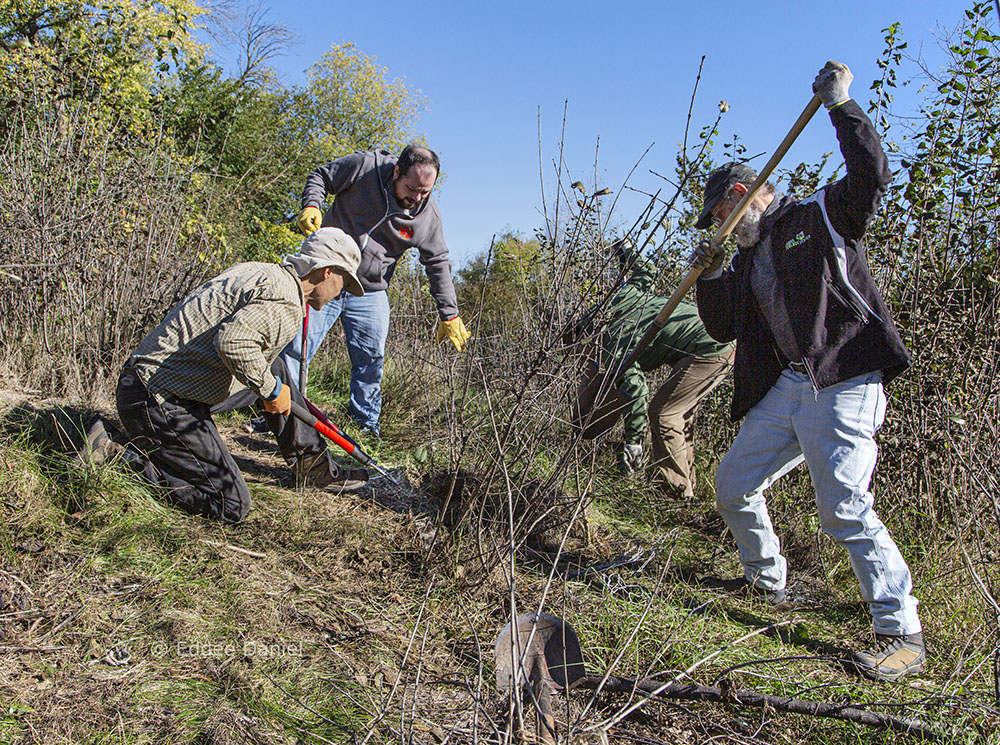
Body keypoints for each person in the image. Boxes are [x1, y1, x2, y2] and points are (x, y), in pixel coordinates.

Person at [690, 61, 923, 681]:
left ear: (739, 199)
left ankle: (901, 632)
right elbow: (722, 329)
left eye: (717, 216)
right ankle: (765, 582)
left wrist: (842, 106)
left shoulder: (817, 216)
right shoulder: (746, 255)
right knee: (735, 482)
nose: (717, 228)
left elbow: (872, 176)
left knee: (845, 507)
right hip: (788, 388)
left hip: (843, 379)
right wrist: (710, 271)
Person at [77, 228, 369, 523]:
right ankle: (114, 452)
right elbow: (234, 342)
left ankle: (312, 467)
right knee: (230, 503)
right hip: (156, 399)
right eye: (343, 283)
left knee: (275, 367)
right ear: (326, 271)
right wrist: (269, 391)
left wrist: (272, 385)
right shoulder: (286, 301)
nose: (341, 294)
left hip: (157, 383)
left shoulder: (262, 272)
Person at [286, 145, 470, 437]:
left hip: (369, 290)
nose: (417, 198)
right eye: (412, 188)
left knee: (370, 360)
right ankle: (281, 414)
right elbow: (321, 176)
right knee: (296, 348)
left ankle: (365, 427)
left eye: (426, 191)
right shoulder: (364, 167)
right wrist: (311, 204)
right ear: (397, 171)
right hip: (327, 275)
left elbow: (437, 263)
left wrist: (449, 314)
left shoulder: (427, 217)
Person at [572, 242, 734, 495]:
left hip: (711, 347)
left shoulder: (611, 343)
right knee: (679, 415)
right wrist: (625, 250)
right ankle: (687, 487)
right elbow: (646, 271)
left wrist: (633, 443)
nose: (586, 358)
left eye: (582, 352)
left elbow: (637, 391)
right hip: (716, 332)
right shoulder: (621, 298)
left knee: (663, 413)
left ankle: (674, 494)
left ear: (586, 338)